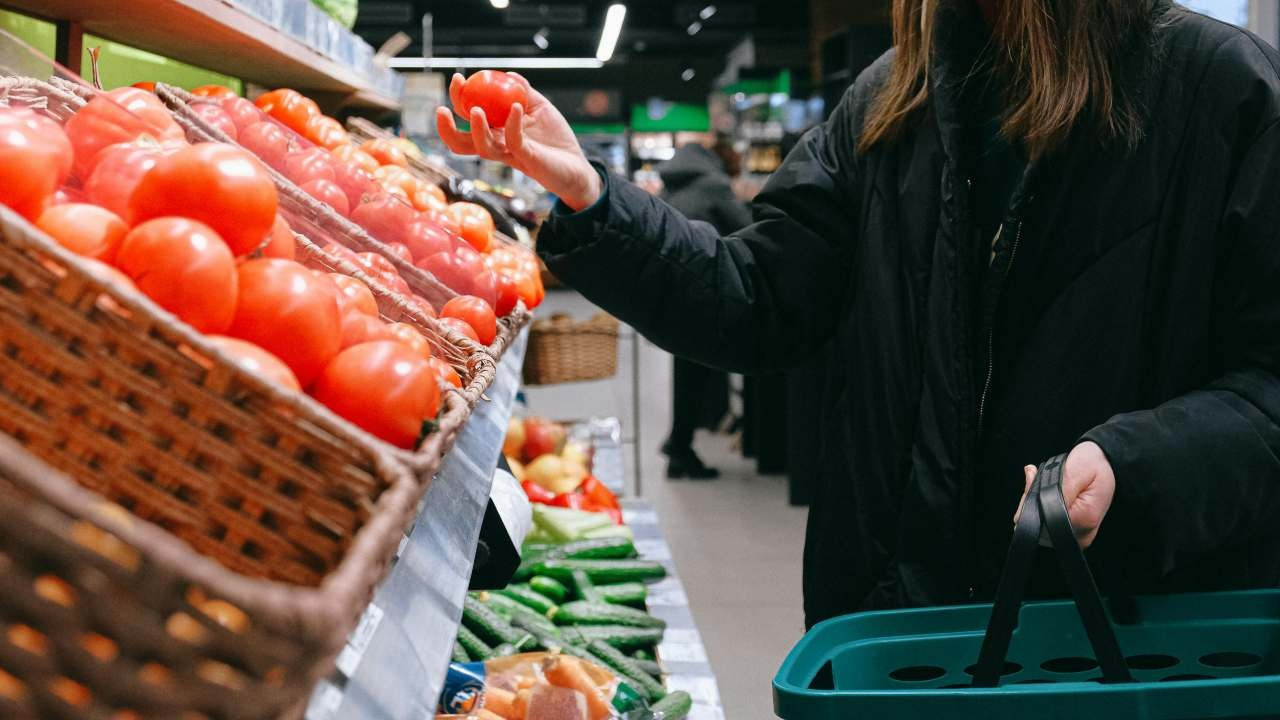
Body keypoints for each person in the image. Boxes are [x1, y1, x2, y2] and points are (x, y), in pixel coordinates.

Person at [437, 0, 1280, 629]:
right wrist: (592, 194)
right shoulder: (891, 101)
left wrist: (1137, 465)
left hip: (1127, 639)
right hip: (899, 631)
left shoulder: (1217, 93)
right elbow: (756, 298)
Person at [654, 135, 752, 479]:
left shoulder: (674, 183)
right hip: (702, 292)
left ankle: (679, 442)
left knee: (688, 371)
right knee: (697, 372)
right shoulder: (714, 184)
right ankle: (680, 448)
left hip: (672, 289)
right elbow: (747, 230)